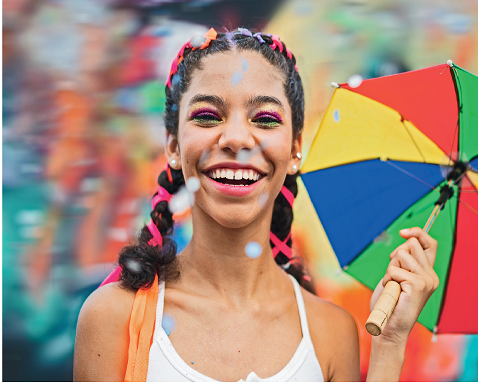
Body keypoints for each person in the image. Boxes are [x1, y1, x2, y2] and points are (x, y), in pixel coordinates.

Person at [73, 27, 439, 382]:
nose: (236, 139)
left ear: (295, 149)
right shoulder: (112, 317)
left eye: (264, 119)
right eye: (207, 116)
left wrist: (390, 344)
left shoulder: (331, 332)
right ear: (173, 146)